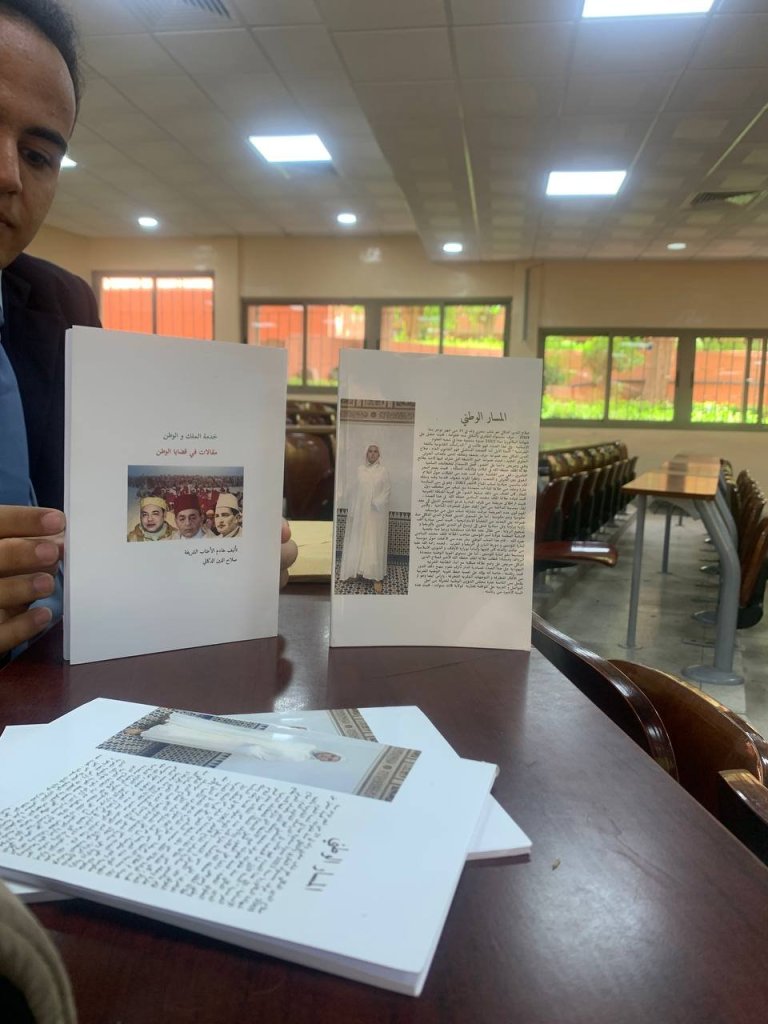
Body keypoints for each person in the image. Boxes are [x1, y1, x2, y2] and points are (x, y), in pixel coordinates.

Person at [0, 0, 296, 659]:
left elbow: (112, 528)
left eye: (38, 155)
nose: (8, 174)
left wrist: (222, 569)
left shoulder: (60, 306)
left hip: (59, 686)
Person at [339, 443, 391, 594]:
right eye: (370, 451)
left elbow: (387, 490)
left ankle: (376, 577)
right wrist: (354, 511)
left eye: (375, 451)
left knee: (373, 543)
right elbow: (354, 492)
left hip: (375, 514)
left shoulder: (383, 471)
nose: (372, 454)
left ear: (379, 455)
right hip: (361, 514)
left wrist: (377, 502)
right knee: (359, 541)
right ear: (366, 454)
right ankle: (356, 571)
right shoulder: (360, 470)